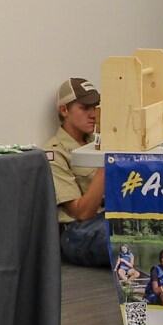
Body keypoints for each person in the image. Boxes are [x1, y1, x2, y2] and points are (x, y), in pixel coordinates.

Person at [45, 77, 110, 268]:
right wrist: (106, 164)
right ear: (64, 110)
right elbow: (81, 212)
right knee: (126, 236)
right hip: (77, 230)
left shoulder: (96, 141)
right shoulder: (55, 153)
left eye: (95, 107)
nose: (93, 114)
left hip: (107, 216)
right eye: (84, 108)